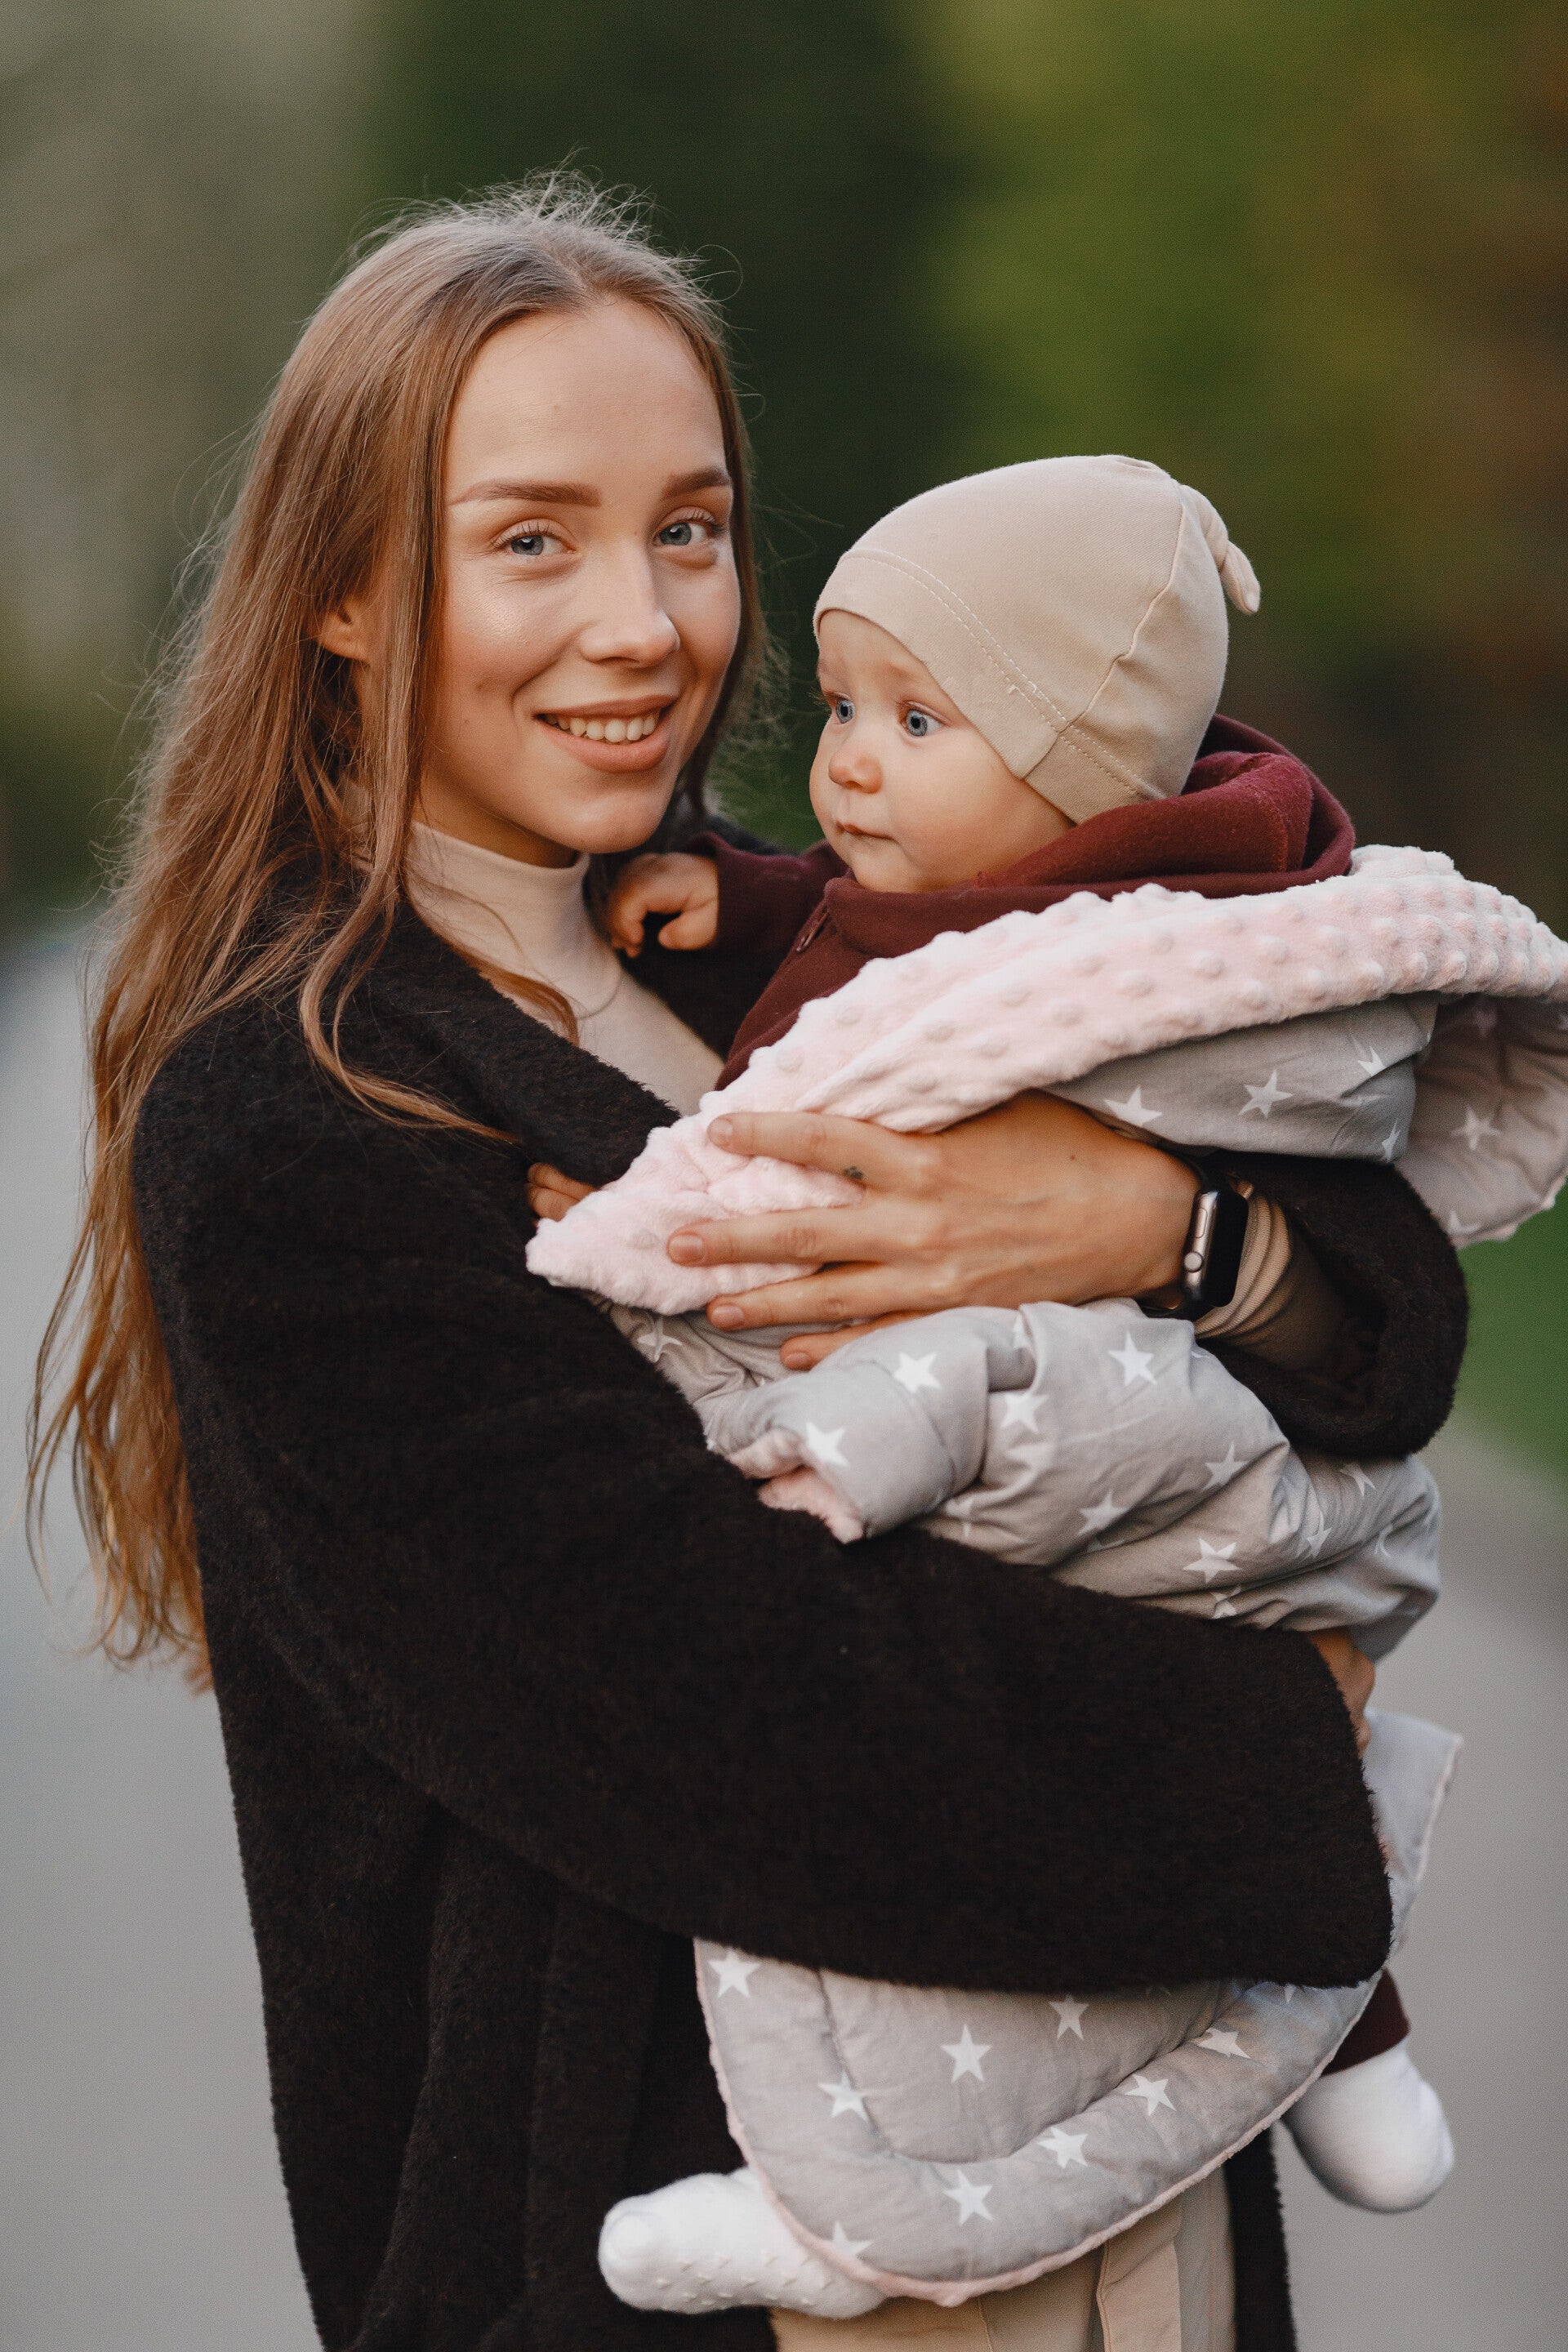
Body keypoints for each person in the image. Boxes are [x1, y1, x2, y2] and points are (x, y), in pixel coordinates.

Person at [30, 185, 1468, 2352]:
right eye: (532, 540)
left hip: (1098, 2185)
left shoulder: (799, 952)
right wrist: (1300, 1750)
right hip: (668, 2253)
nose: (639, 625)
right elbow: (718, 1709)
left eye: (687, 530)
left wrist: (1167, 1230)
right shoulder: (291, 1114)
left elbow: (1384, 1299)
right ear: (344, 590)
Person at [528, 461, 1465, 2328]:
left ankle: (1325, 2046)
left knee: (1153, 1684)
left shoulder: (1141, 953)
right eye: (850, 708)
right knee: (1146, 1751)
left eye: (918, 719)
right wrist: (704, 891)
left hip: (1106, 1445)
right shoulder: (948, 883)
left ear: (1082, 766)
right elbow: (828, 918)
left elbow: (1389, 1292)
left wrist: (1161, 1221)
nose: (851, 768)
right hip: (1021, 1488)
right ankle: (1344, 2048)